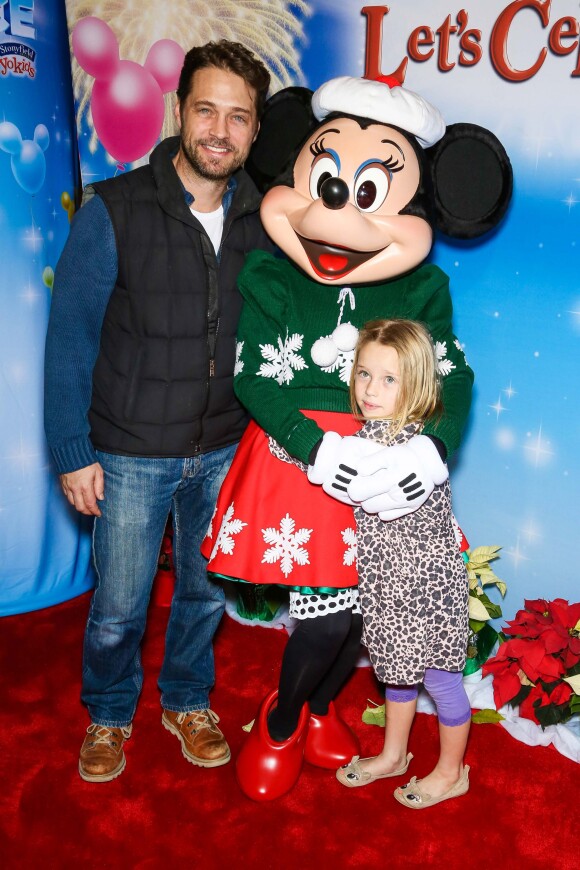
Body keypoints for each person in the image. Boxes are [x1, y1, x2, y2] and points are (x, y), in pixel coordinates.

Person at [202, 75, 510, 801]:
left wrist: (430, 451)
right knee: (329, 614)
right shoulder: (271, 276)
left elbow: (451, 375)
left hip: (392, 473)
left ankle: (315, 709)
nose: (338, 213)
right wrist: (322, 449)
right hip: (299, 463)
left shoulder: (420, 289)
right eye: (327, 182)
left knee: (365, 618)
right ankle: (279, 720)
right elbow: (254, 378)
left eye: (370, 191)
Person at [44, 39, 272, 782]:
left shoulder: (266, 218)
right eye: (206, 109)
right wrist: (72, 450)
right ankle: (109, 712)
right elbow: (70, 339)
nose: (219, 129)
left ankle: (186, 699)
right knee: (118, 605)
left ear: (255, 130)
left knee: (206, 593)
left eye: (239, 117)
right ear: (180, 112)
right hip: (129, 451)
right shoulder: (114, 208)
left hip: (224, 450)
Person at [336, 319, 470, 808]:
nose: (371, 389)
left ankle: (452, 771)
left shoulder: (418, 446)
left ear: (415, 384)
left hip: (427, 590)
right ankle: (394, 755)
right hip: (386, 585)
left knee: (440, 680)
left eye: (388, 379)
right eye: (364, 373)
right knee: (396, 673)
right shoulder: (366, 436)